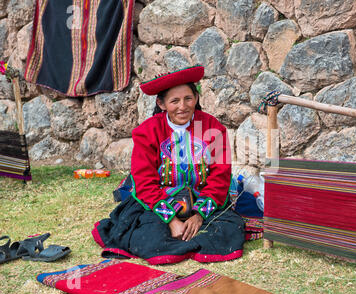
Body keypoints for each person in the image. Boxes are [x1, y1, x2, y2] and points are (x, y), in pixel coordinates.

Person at [92, 65, 245, 264]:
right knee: (148, 235)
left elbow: (220, 177)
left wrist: (198, 215)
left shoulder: (213, 128)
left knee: (227, 230)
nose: (183, 106)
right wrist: (171, 220)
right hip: (159, 202)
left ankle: (192, 232)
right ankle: (175, 233)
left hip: (202, 199)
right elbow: (145, 182)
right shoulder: (147, 132)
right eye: (174, 101)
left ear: (196, 99)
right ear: (161, 103)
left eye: (188, 98)